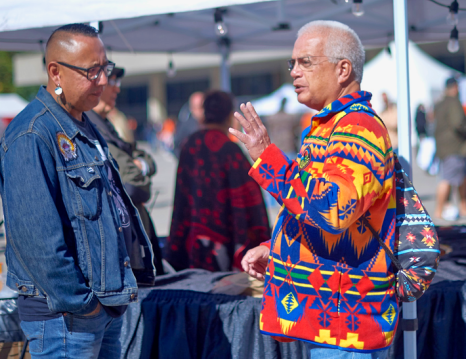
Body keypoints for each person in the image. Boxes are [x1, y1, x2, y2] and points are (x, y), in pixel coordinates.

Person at [234, 21, 397, 357]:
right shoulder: (330, 125)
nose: (294, 72)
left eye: (306, 62)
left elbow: (333, 209)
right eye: (292, 63)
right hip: (332, 321)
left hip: (344, 326)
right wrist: (276, 247)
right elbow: (316, 205)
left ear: (343, 70)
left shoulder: (359, 127)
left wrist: (268, 157)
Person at [0, 24, 156, 359]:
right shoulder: (32, 134)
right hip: (66, 319)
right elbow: (38, 242)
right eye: (92, 71)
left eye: (105, 69)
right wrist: (85, 306)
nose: (103, 80)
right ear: (56, 72)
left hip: (100, 307)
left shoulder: (81, 123)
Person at [166, 90, 270, 272]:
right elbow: (251, 201)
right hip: (225, 242)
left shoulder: (189, 145)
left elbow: (181, 197)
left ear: (204, 113)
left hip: (194, 238)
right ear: (230, 116)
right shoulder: (230, 150)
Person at [85, 66, 165, 276]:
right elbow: (132, 185)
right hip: (121, 244)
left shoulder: (106, 123)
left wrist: (141, 166)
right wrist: (138, 169)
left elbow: (145, 159)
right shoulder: (89, 125)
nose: (117, 89)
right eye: (113, 82)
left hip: (131, 238)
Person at [433, 78, 466, 219]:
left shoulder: (439, 103)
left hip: (443, 146)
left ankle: (457, 207)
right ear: (455, 87)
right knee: (449, 179)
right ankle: (440, 210)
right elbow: (458, 124)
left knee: (454, 178)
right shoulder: (454, 102)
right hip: (455, 146)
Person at [173, 91, 204, 157]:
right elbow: (177, 146)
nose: (202, 110)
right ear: (192, 108)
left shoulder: (212, 123)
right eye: (199, 107)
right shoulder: (185, 125)